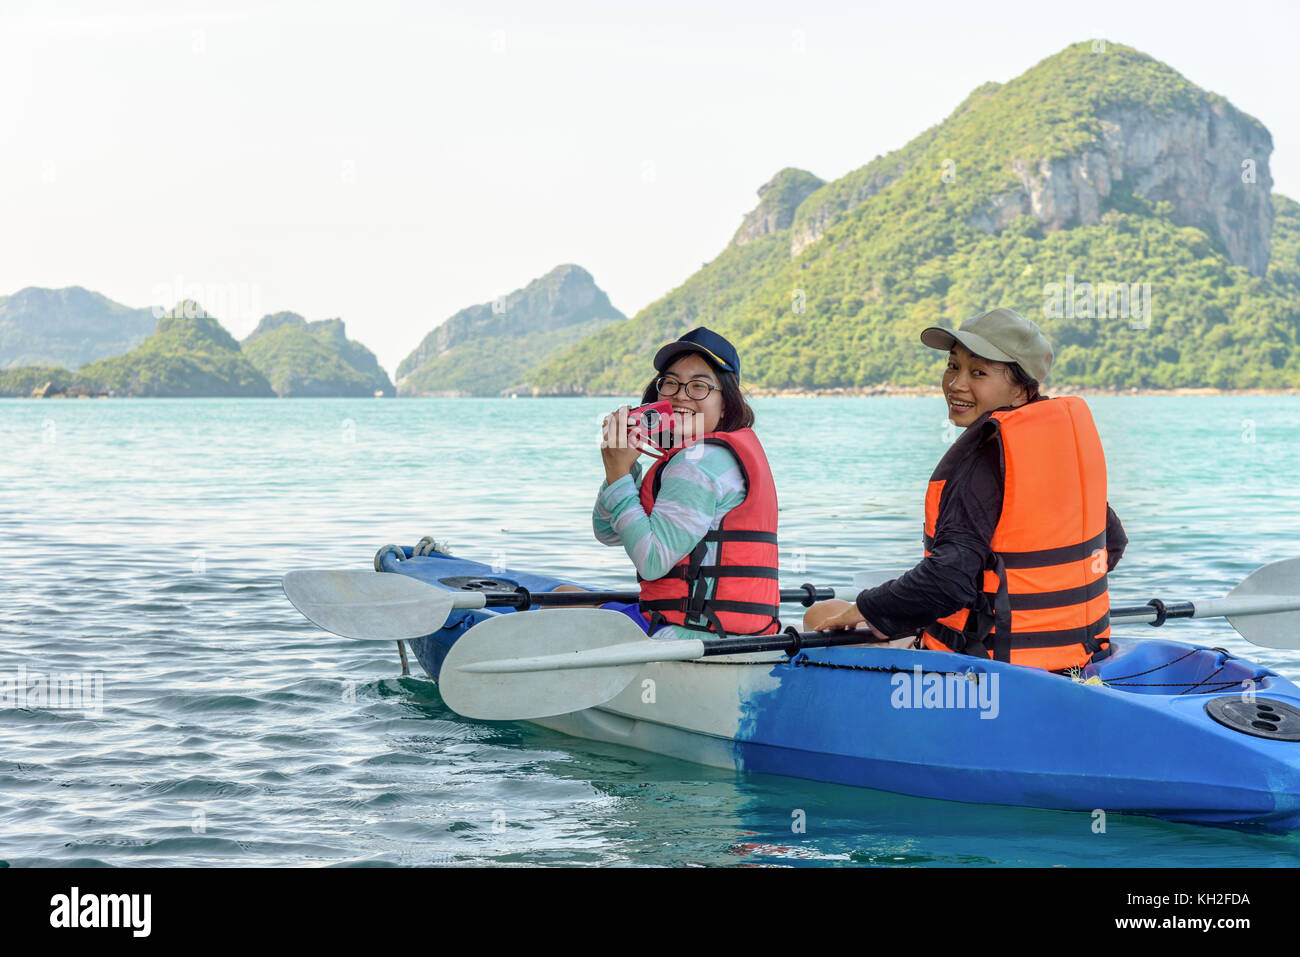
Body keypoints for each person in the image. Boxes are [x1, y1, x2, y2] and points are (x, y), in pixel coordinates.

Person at [807, 307, 1128, 671]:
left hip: (988, 667)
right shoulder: (1056, 452)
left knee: (820, 614)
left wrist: (864, 608)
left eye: (978, 372)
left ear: (1022, 389)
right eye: (952, 366)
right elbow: (1111, 543)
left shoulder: (980, 461)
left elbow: (947, 582)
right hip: (1077, 657)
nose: (956, 384)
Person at [590, 327, 781, 639]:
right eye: (671, 383)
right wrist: (626, 466)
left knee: (556, 607)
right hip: (736, 632)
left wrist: (618, 474)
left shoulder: (698, 462)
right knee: (570, 594)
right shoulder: (696, 457)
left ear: (725, 407)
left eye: (699, 386)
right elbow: (608, 533)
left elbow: (652, 562)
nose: (680, 394)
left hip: (691, 637)